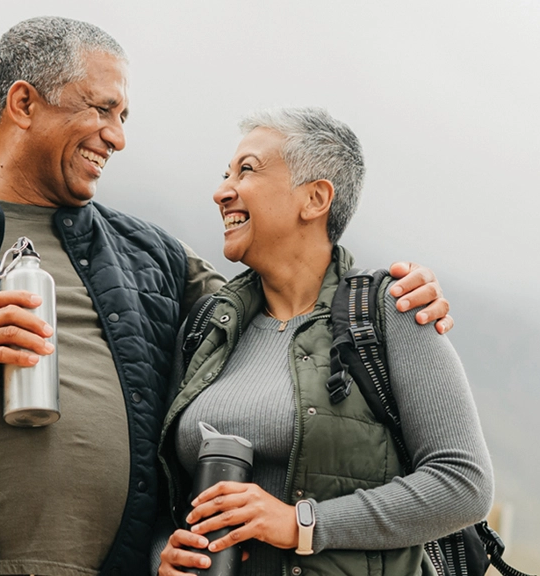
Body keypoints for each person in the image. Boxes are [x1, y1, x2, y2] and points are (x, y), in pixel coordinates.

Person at [0, 18, 453, 576]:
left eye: (124, 116)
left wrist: (387, 295)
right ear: (24, 103)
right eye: (102, 108)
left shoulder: (152, 257)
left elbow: (285, 310)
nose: (118, 137)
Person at [156, 107, 493, 576]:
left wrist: (303, 523)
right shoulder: (208, 327)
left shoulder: (389, 311)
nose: (221, 191)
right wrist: (164, 561)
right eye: (225, 173)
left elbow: (464, 484)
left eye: (246, 170)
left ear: (315, 199)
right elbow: (164, 499)